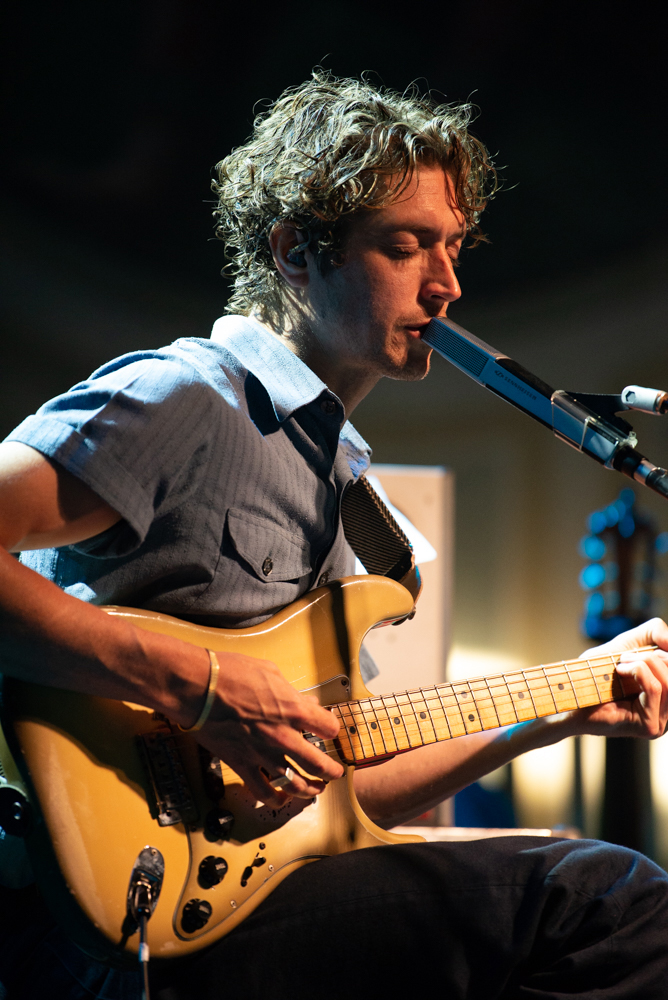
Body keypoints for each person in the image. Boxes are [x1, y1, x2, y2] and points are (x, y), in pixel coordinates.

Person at [1, 72, 668, 1000]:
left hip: (227, 896)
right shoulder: (183, 397)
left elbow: (339, 780)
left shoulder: (349, 493)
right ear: (294, 253)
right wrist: (196, 686)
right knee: (608, 897)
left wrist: (553, 710)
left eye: (455, 246)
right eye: (408, 246)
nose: (449, 283)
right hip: (86, 922)